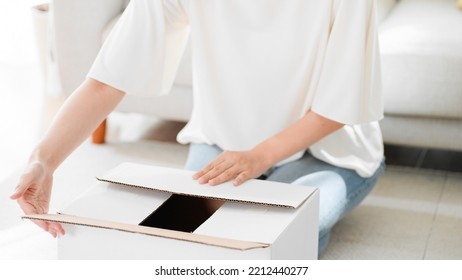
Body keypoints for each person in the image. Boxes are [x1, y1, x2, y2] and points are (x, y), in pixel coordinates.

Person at [10, 0, 385, 256]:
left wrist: (258, 158)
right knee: (186, 237)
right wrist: (43, 161)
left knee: (269, 238)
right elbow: (107, 81)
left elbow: (338, 107)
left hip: (331, 154)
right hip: (223, 144)